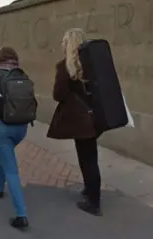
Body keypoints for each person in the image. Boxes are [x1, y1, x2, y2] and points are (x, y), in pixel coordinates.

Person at [0, 47, 32, 230]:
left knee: (12, 169)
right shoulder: (22, 74)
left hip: (1, 127)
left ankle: (21, 215)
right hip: (21, 128)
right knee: (5, 153)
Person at [51, 28, 103, 216]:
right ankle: (90, 190)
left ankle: (94, 202)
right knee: (91, 158)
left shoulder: (64, 67)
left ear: (69, 44)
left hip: (80, 121)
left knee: (86, 159)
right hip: (94, 116)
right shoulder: (92, 64)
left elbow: (58, 94)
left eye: (64, 42)